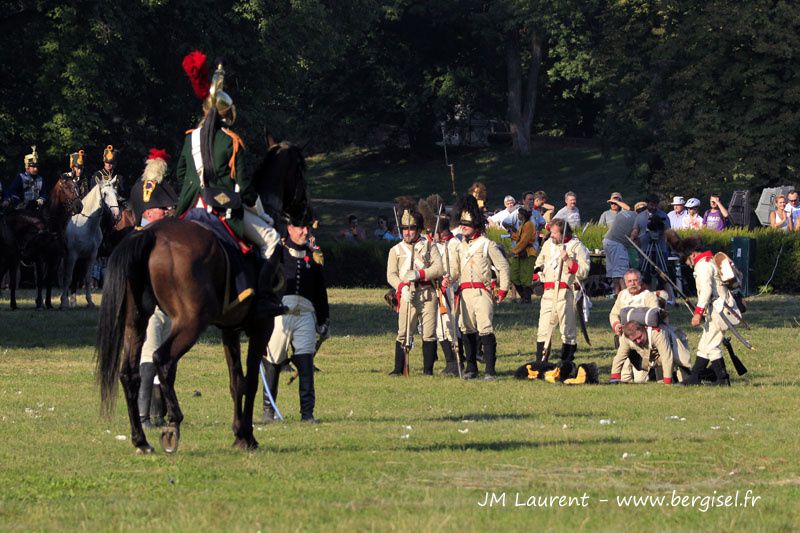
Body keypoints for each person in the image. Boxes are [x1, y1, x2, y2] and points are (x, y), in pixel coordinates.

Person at [175, 51, 283, 318]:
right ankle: (262, 301)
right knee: (272, 240)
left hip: (192, 206)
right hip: (222, 209)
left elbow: (180, 174)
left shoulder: (190, 139)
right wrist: (261, 213)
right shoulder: (232, 141)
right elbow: (245, 189)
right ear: (227, 115)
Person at [261, 207, 330, 423]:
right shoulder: (278, 253)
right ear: (289, 229)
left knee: (306, 362)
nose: (304, 231)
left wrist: (323, 320)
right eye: (300, 227)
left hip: (306, 316)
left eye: (306, 227)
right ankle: (268, 411)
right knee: (272, 361)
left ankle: (307, 414)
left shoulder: (313, 257)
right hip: (280, 315)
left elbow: (320, 292)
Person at [129, 149, 178, 429]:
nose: (169, 210)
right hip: (147, 309)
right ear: (148, 211)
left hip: (167, 308)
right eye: (164, 207)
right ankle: (144, 416)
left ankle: (159, 414)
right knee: (148, 356)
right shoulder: (140, 240)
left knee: (165, 360)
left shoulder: (168, 237)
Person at [446, 195, 510, 380]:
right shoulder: (459, 247)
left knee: (485, 329)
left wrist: (503, 289)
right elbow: (456, 271)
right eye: (462, 223)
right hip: (465, 292)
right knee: (467, 330)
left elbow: (502, 266)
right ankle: (471, 368)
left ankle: (490, 370)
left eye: (466, 224)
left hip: (482, 291)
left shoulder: (486, 244)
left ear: (475, 225)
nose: (463, 226)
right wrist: (448, 279)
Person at [668, 232, 738, 385]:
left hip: (718, 310)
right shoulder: (709, 261)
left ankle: (722, 379)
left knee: (711, 346)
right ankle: (695, 378)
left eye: (686, 259)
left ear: (692, 254)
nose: (687, 263)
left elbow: (706, 291)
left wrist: (697, 313)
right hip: (718, 309)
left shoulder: (702, 266)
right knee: (704, 345)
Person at [386, 208, 444, 376]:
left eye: (411, 228)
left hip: (427, 293)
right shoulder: (395, 250)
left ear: (418, 230)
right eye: (404, 228)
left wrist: (421, 274)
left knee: (429, 333)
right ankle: (398, 369)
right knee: (403, 332)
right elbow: (391, 274)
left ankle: (428, 370)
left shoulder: (428, 246)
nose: (407, 232)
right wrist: (401, 287)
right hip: (407, 295)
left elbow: (439, 268)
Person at [531, 217, 590, 364]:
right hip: (548, 293)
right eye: (551, 232)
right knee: (543, 330)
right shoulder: (547, 245)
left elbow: (584, 272)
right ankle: (541, 363)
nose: (551, 235)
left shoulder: (577, 247)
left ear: (563, 233)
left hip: (566, 293)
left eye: (555, 233)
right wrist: (538, 277)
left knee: (568, 330)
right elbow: (538, 264)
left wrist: (568, 260)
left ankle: (566, 363)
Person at [608, 269, 660, 382]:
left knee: (640, 379)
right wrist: (616, 325)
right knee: (624, 375)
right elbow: (613, 314)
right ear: (625, 282)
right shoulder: (622, 295)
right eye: (629, 281)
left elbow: (654, 317)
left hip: (641, 342)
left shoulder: (648, 296)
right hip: (624, 339)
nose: (632, 284)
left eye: (635, 280)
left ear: (640, 281)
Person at [434, 213, 462, 376]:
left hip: (452, 289)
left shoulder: (455, 244)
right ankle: (450, 362)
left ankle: (458, 361)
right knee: (440, 328)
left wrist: (450, 279)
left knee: (452, 327)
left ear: (443, 232)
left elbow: (457, 267)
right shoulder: (435, 245)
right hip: (438, 289)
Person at [630, 194, 673, 300]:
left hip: (660, 249)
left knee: (663, 274)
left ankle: (670, 298)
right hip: (645, 249)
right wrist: (633, 238)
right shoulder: (640, 217)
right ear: (647, 203)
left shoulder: (663, 216)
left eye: (655, 205)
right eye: (651, 204)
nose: (653, 207)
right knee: (645, 274)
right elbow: (635, 231)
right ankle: (646, 297)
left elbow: (668, 232)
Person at [602, 202, 637, 295]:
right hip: (617, 243)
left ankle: (616, 293)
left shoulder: (628, 213)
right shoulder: (639, 219)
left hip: (607, 241)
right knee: (621, 271)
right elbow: (634, 235)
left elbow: (627, 207)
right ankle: (625, 295)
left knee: (615, 271)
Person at [509, 207, 536, 304]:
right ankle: (524, 297)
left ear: (523, 214)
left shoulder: (529, 225)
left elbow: (524, 241)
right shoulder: (523, 224)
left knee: (526, 277)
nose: (518, 215)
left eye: (519, 213)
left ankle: (526, 299)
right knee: (514, 275)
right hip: (520, 252)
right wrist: (512, 234)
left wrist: (514, 251)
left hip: (528, 253)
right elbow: (519, 237)